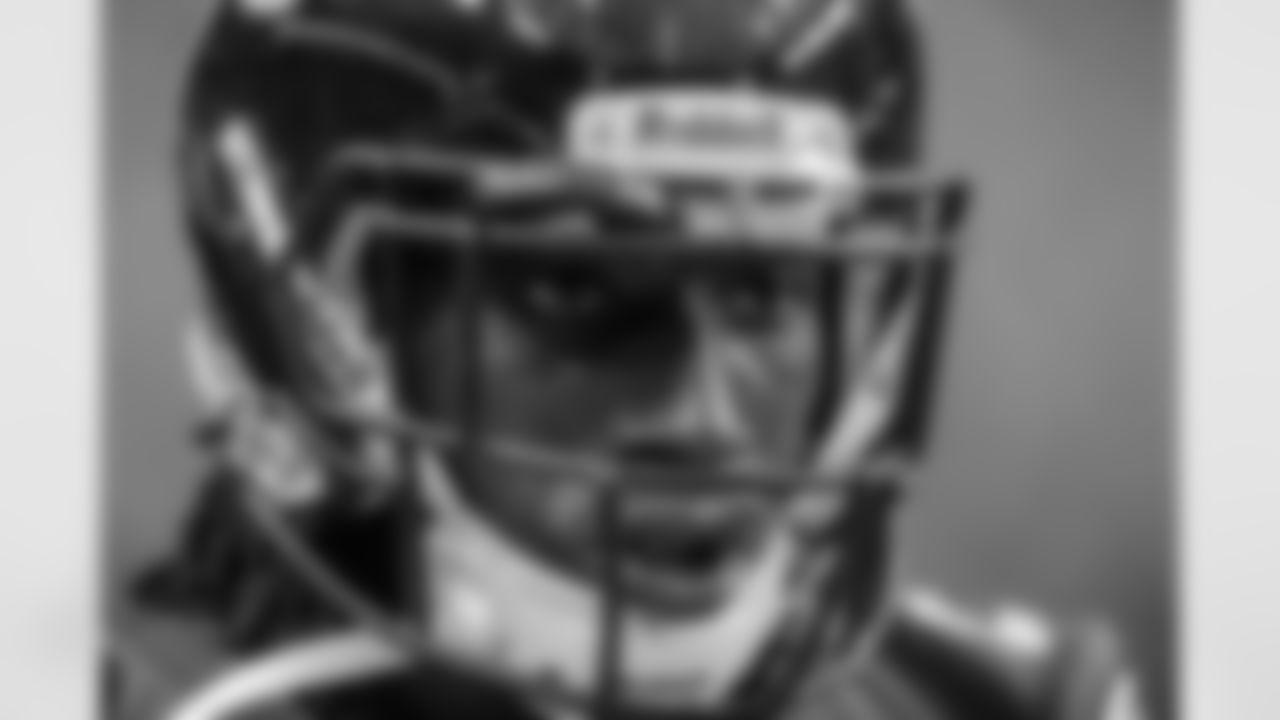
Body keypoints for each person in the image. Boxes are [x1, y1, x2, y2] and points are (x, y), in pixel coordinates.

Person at [110, 0, 1148, 718]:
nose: (703, 417)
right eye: (576, 288)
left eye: (763, 290)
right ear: (328, 333)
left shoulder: (1006, 703)